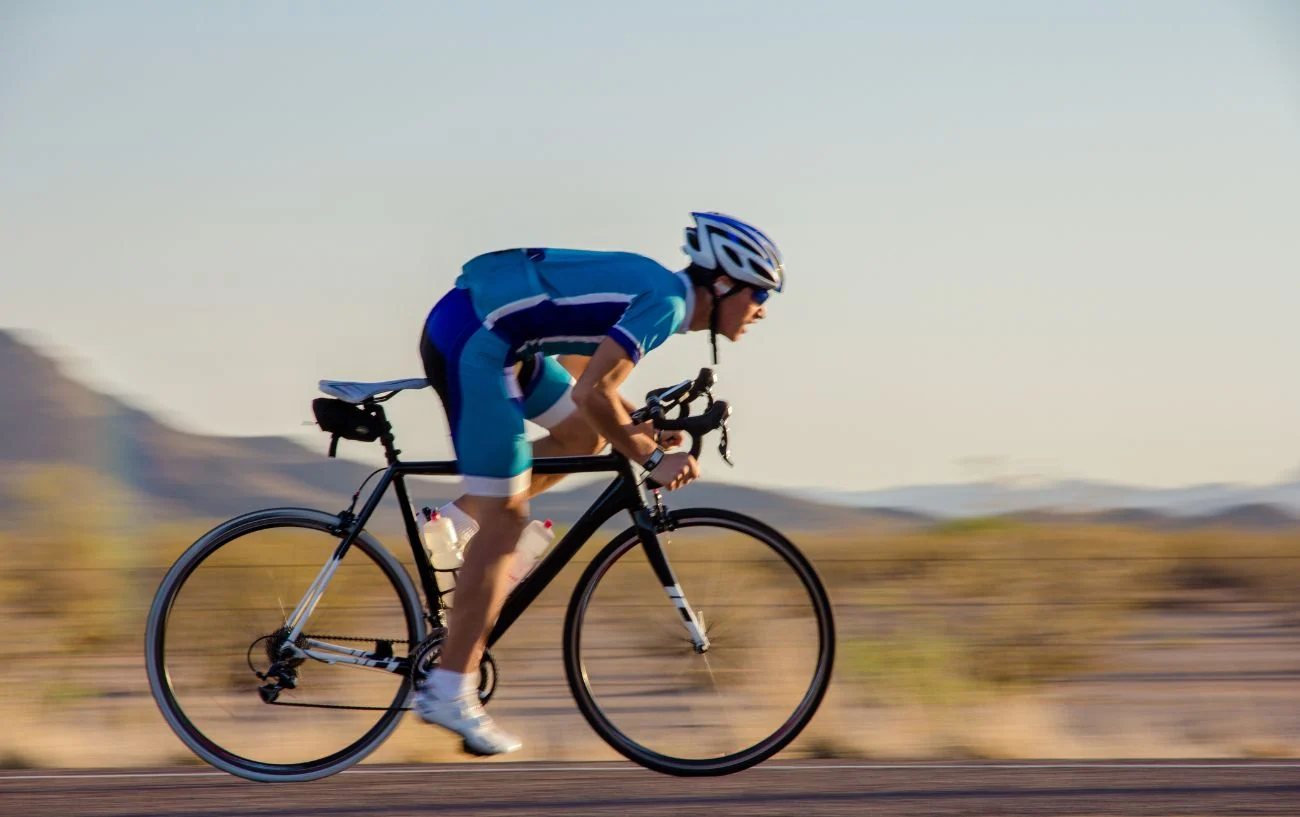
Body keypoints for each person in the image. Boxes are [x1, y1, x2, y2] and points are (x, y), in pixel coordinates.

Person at [414, 212, 785, 755]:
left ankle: (455, 522)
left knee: (582, 438)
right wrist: (650, 454)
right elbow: (594, 389)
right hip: (478, 340)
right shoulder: (669, 304)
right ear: (724, 285)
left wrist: (640, 427)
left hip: (497, 334)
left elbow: (583, 377)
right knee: (508, 523)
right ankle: (449, 690)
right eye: (759, 296)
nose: (761, 312)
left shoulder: (659, 290)